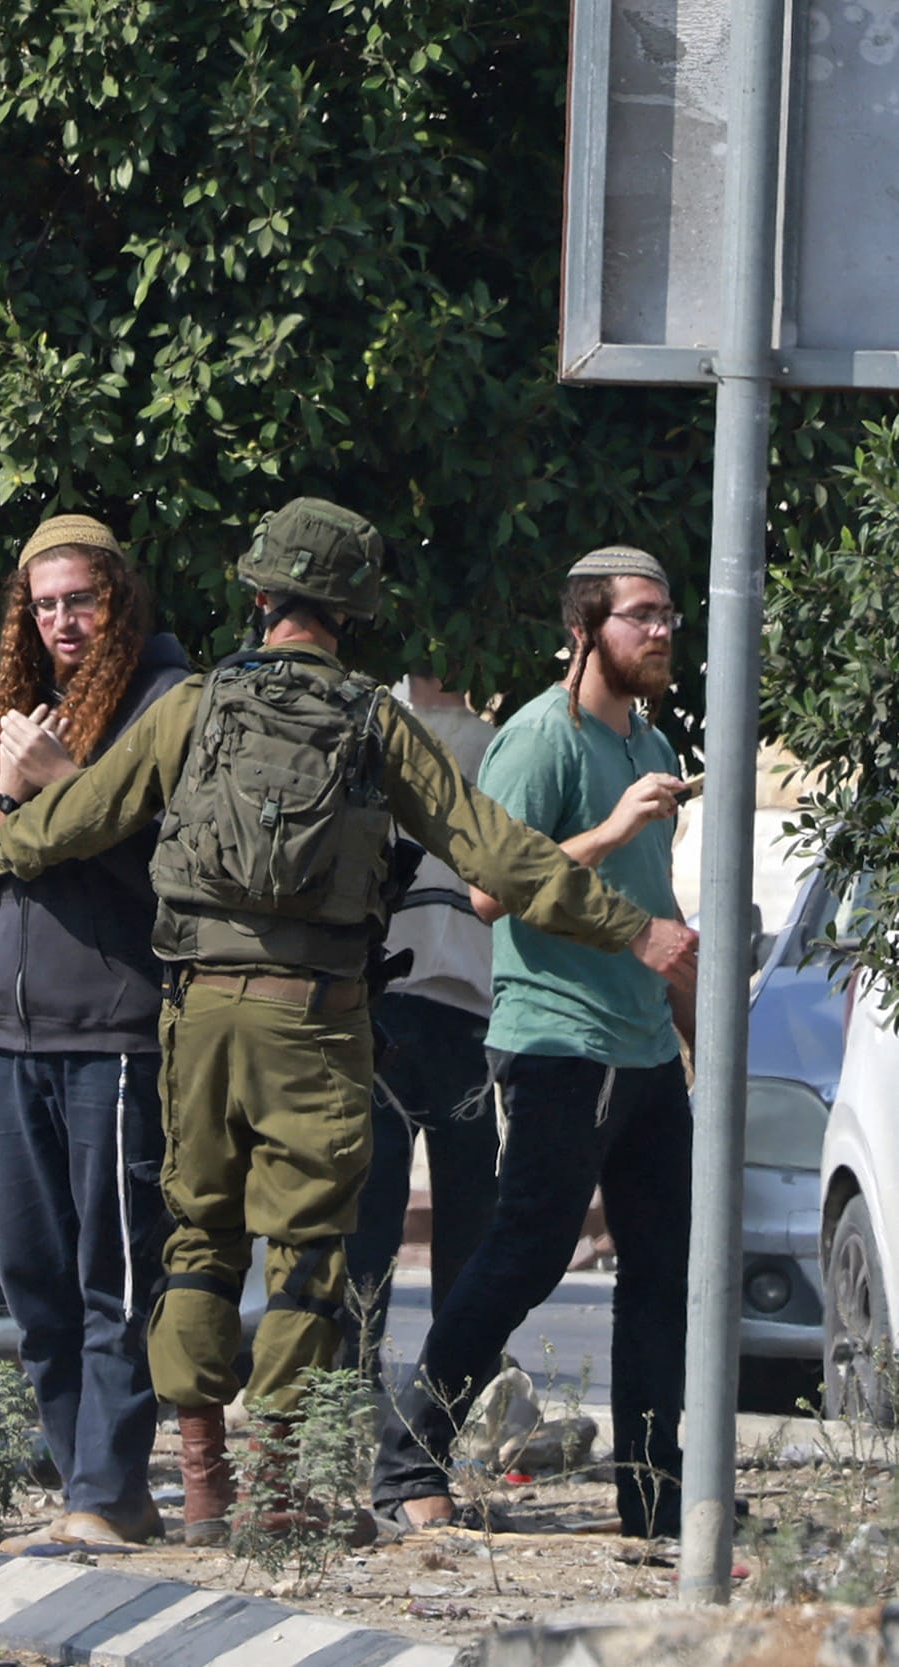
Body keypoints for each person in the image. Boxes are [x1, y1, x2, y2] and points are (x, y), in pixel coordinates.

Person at [0, 499, 697, 1547]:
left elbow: (85, 813)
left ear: (259, 598)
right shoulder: (379, 724)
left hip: (194, 1017)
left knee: (195, 1239)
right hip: (316, 1021)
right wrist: (634, 930)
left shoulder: (192, 704)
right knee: (303, 1251)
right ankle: (275, 1490)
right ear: (351, 611)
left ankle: (198, 1482)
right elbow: (498, 855)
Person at [371, 547, 700, 1540]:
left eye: (667, 614)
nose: (661, 631)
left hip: (644, 1049)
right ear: (585, 627)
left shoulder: (644, 743)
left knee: (660, 1275)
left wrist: (698, 1044)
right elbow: (485, 888)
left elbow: (657, 913)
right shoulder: (536, 739)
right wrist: (604, 828)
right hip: (556, 1040)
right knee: (524, 1256)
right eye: (640, 614)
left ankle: (655, 1503)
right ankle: (408, 1456)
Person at [0, 516, 189, 1552]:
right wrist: (3, 794)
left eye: (77, 599)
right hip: (3, 1032)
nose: (59, 622)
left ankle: (106, 1485)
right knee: (32, 1278)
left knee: (114, 1277)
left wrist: (48, 798)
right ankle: (91, 1481)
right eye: (41, 604)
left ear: (117, 597)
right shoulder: (4, 718)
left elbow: (171, 874)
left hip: (117, 1030)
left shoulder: (168, 704)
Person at [337, 676, 501, 1371]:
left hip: (425, 991)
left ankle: (368, 1375)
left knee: (390, 1205)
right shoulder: (476, 739)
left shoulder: (375, 722)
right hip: (433, 990)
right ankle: (449, 1377)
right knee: (442, 1204)